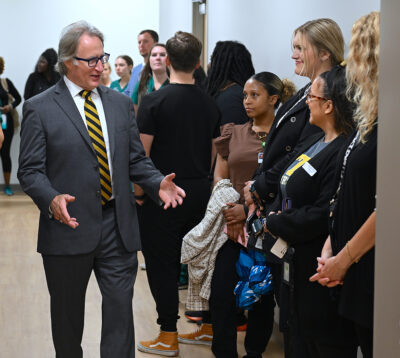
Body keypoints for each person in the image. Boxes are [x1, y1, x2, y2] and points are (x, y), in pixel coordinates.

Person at [17, 20, 185, 358]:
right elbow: (30, 170)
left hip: (117, 227)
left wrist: (155, 183)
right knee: (67, 320)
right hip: (68, 226)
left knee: (121, 317)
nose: (100, 67)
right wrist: (51, 199)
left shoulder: (120, 105)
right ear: (68, 61)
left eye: (102, 58)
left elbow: (135, 161)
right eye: (90, 60)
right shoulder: (40, 108)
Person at [243, 18, 345, 357]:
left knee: (305, 330)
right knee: (290, 322)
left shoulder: (333, 97)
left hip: (302, 229)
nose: (293, 56)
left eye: (300, 48)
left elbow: (298, 156)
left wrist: (265, 187)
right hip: (281, 212)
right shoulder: (305, 93)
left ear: (325, 53)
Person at [178, 72, 296, 358]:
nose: (246, 101)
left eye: (254, 95)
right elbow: (219, 178)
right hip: (231, 227)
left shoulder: (287, 139)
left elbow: (286, 185)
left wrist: (249, 215)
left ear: (274, 98)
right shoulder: (232, 132)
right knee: (222, 296)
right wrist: (232, 213)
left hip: (268, 230)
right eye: (244, 95)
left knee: (262, 297)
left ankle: (254, 352)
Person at [259, 65, 356, 357]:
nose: (306, 102)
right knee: (295, 337)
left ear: (329, 105)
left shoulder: (343, 150)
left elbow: (323, 212)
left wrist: (278, 222)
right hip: (293, 263)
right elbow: (288, 182)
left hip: (318, 269)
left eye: (311, 97)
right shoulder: (315, 140)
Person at [135, 31, 220, 357]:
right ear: (198, 63)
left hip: (164, 192)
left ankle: (168, 334)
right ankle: (207, 327)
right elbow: (214, 155)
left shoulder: (154, 102)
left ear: (167, 60)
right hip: (200, 190)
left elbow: (142, 157)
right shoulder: (210, 103)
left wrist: (141, 194)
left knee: (163, 264)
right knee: (202, 262)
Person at [310, 12, 380, 358]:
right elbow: (345, 190)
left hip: (371, 269)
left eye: (356, 52)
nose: (349, 63)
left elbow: (388, 208)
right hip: (349, 264)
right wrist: (331, 248)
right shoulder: (370, 116)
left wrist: (344, 258)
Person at [207, 41, 255, 126]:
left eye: (212, 59)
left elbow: (229, 137)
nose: (208, 65)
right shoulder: (238, 93)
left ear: (222, 65)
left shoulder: (231, 99)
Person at [0, 56, 22, 196]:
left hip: (5, 122)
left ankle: (7, 186)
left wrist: (10, 106)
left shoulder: (5, 83)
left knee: (5, 154)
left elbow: (18, 98)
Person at [132, 43, 169, 114]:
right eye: (154, 55)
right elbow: (134, 114)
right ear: (149, 60)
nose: (158, 58)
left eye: (162, 55)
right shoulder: (141, 84)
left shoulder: (174, 85)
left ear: (168, 60)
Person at [124, 29, 158, 99]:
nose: (141, 45)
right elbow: (127, 93)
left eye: (145, 41)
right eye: (139, 42)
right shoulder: (135, 70)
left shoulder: (161, 69)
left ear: (156, 44)